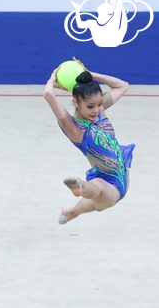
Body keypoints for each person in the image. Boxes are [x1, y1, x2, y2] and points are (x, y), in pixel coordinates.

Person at [42, 61, 133, 224]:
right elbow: (48, 95)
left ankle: (72, 213)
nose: (96, 110)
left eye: (99, 104)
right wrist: (52, 79)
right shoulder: (75, 129)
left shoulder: (98, 112)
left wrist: (90, 74)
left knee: (91, 205)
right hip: (109, 186)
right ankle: (80, 186)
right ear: (75, 103)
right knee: (97, 186)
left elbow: (123, 86)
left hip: (122, 174)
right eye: (90, 106)